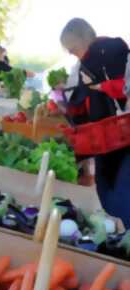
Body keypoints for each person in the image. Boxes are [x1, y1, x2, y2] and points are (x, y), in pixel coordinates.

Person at [60, 18, 130, 228]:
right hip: (104, 138)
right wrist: (65, 106)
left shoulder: (114, 51)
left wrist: (100, 87)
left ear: (82, 42)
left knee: (121, 193)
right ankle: (119, 234)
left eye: (73, 49)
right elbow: (81, 100)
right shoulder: (84, 64)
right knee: (105, 188)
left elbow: (123, 88)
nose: (72, 54)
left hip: (121, 135)